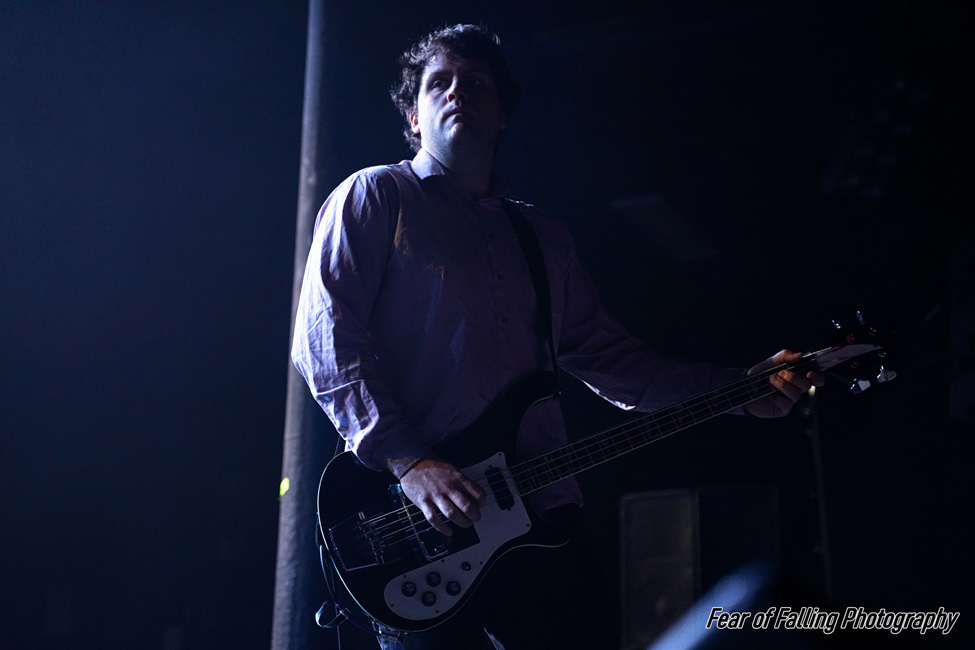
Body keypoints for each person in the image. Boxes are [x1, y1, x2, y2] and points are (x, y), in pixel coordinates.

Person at [291, 24, 822, 650]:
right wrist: (410, 461)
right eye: (440, 83)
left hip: (542, 518)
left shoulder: (542, 238)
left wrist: (738, 391)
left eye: (477, 83)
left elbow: (614, 362)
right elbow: (324, 344)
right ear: (413, 116)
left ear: (503, 114)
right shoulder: (376, 195)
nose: (458, 92)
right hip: (418, 525)